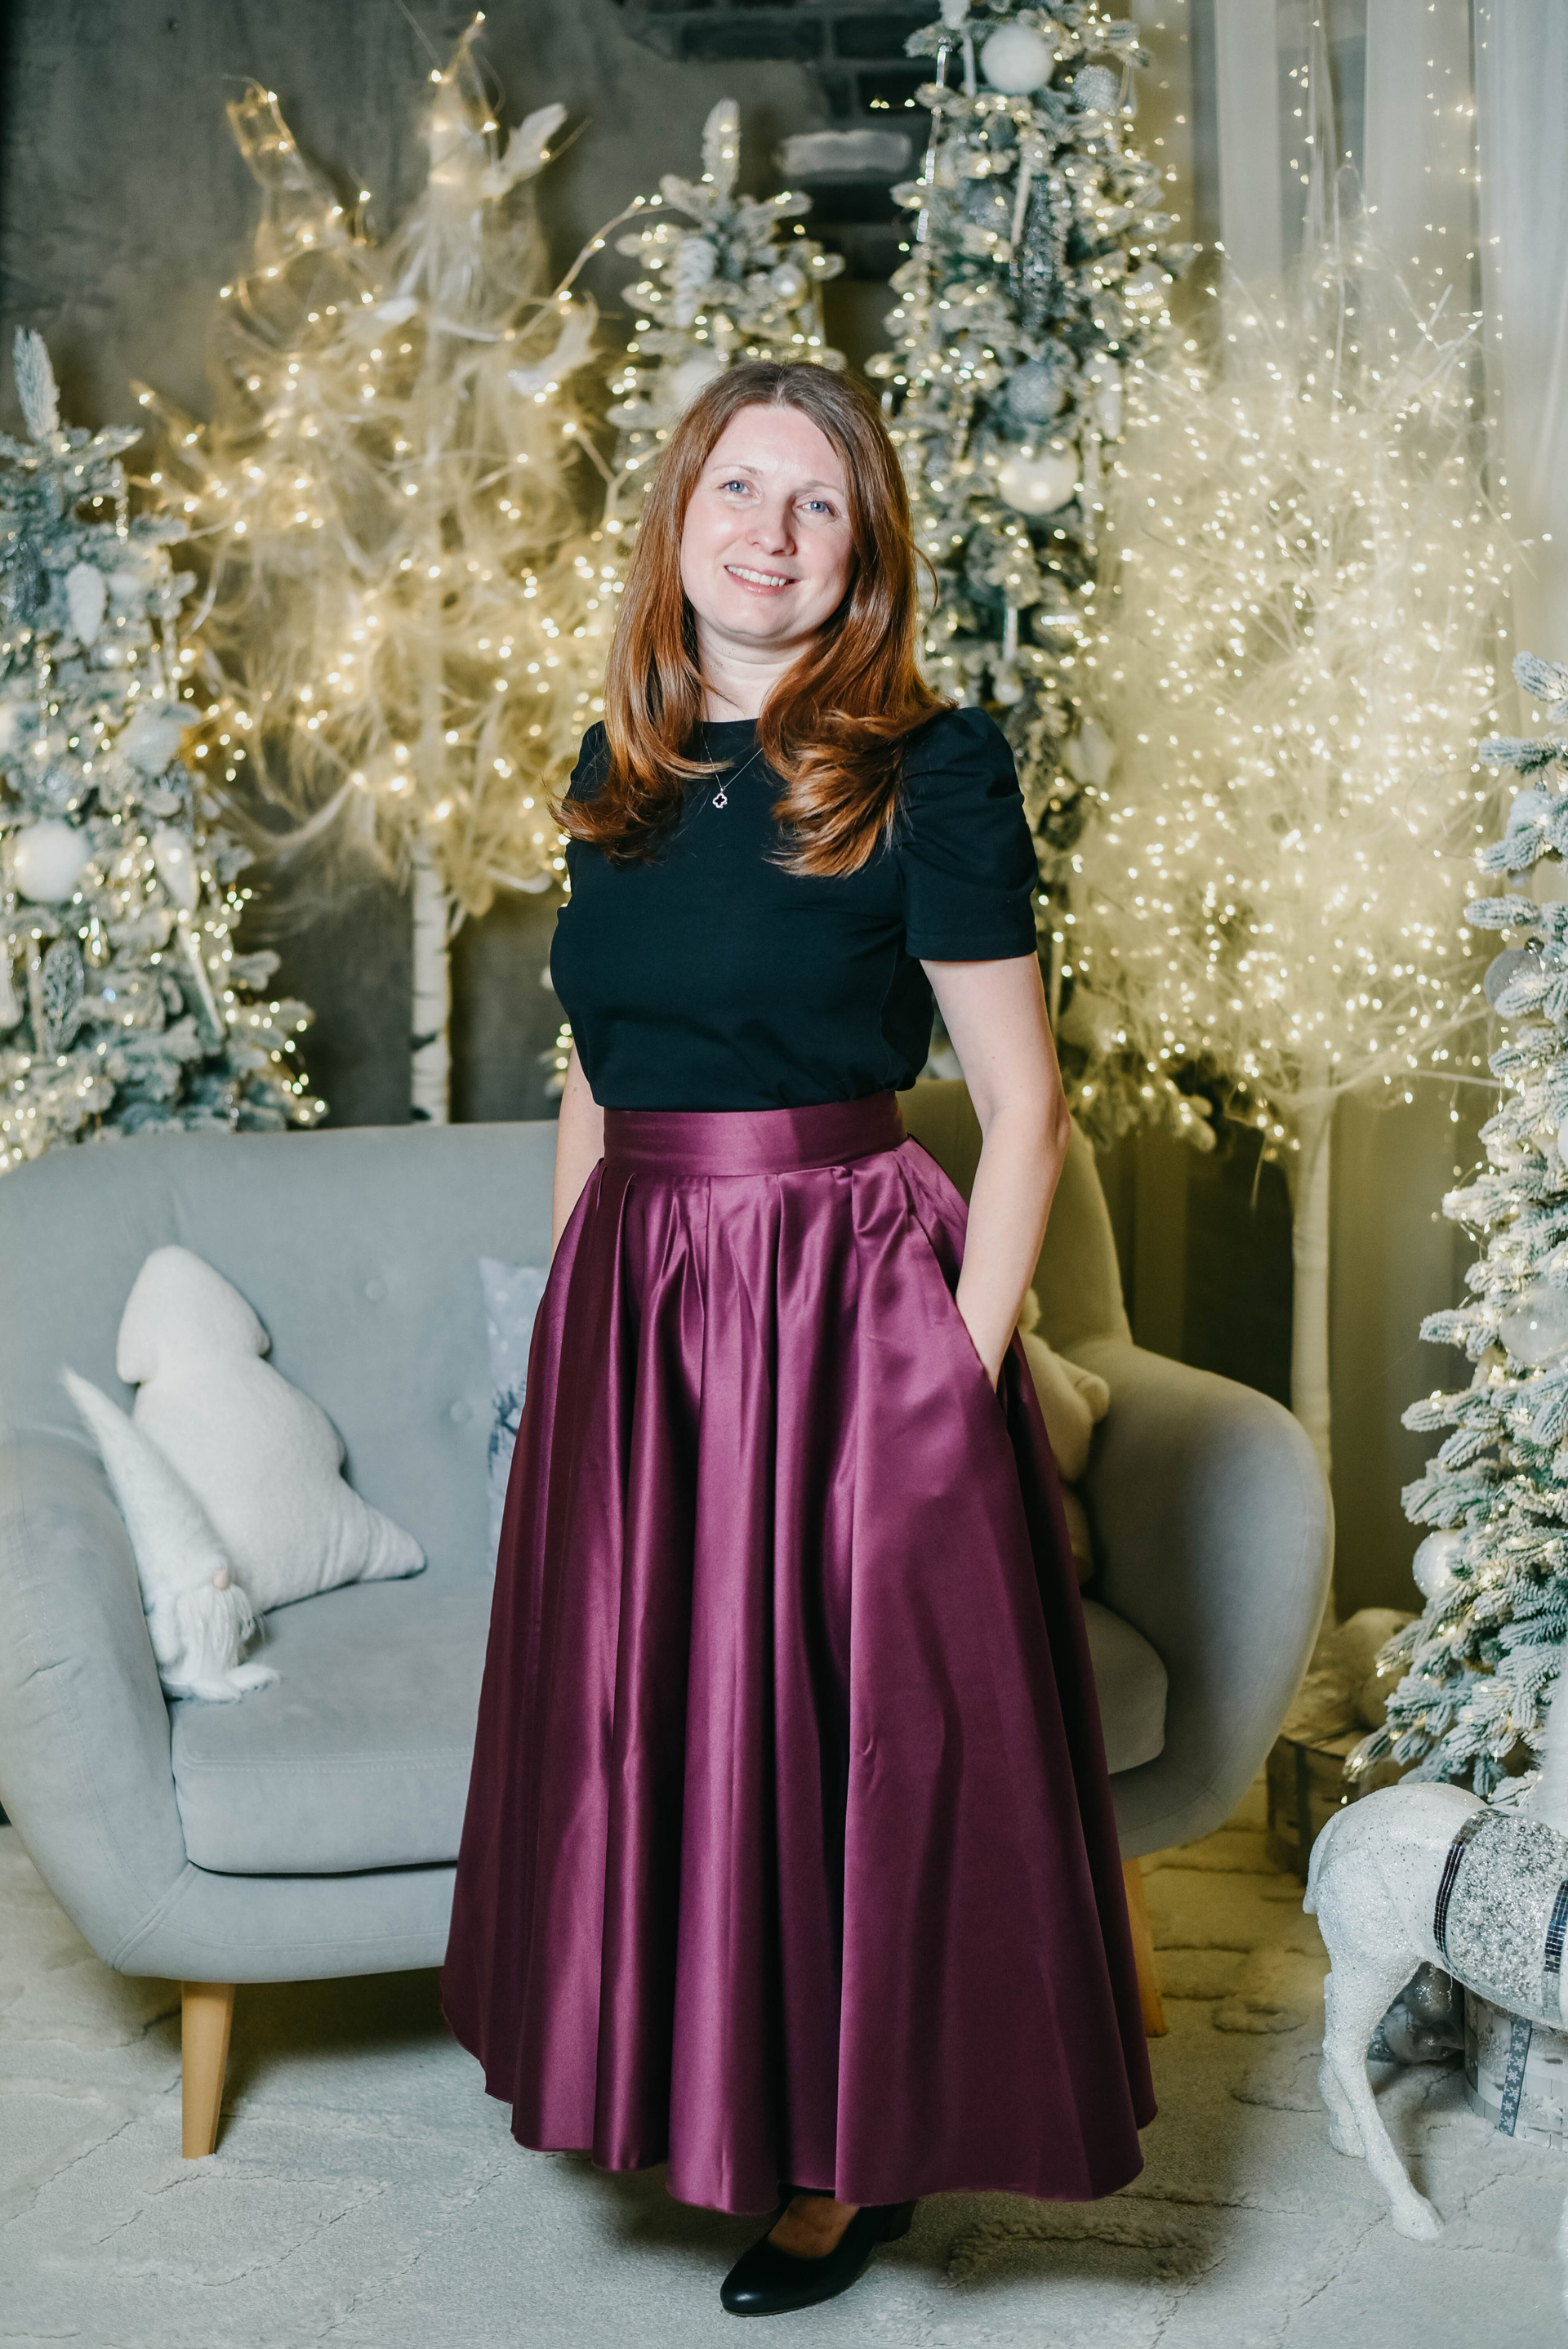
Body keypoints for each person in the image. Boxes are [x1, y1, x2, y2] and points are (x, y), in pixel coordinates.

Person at [440, 359, 1154, 2319]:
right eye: (738, 489)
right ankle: (693, 2092)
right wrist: (572, 1317)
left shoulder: (930, 765)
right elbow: (595, 1071)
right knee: (667, 1725)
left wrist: (952, 1380)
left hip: (842, 1299)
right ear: (680, 521)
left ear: (864, 552)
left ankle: (847, 2170)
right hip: (642, 1301)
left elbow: (1024, 1108)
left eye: (817, 501)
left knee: (841, 1735)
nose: (770, 532)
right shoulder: (620, 766)